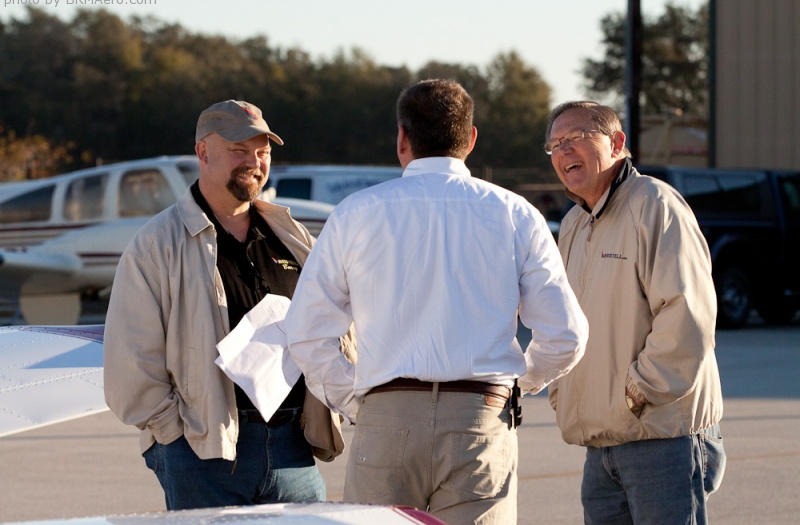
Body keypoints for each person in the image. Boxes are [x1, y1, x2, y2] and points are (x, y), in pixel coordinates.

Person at [283, 79, 589, 524]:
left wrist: (358, 401)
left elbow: (307, 333)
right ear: (470, 139)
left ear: (402, 138)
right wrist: (517, 386)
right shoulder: (514, 212)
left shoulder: (355, 213)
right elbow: (566, 335)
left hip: (384, 417)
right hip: (480, 418)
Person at [104, 99, 350, 511]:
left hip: (293, 449)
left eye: (263, 151)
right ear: (202, 152)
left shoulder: (294, 239)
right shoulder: (156, 245)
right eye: (239, 150)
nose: (253, 162)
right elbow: (130, 362)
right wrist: (176, 438)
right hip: (202, 453)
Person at [544, 101, 726, 525]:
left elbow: (688, 315)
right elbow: (564, 322)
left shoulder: (655, 204)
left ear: (617, 143)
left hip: (663, 439)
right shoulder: (573, 224)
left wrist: (638, 392)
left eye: (576, 138)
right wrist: (565, 395)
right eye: (554, 144)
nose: (563, 151)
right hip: (602, 444)